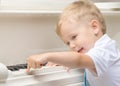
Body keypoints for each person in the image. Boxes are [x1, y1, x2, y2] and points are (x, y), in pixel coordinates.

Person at [26, 0, 120, 86]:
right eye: (67, 43)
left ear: (94, 27)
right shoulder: (92, 54)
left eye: (74, 37)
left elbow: (79, 60)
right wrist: (62, 61)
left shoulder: (106, 49)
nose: (71, 45)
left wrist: (47, 56)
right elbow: (79, 60)